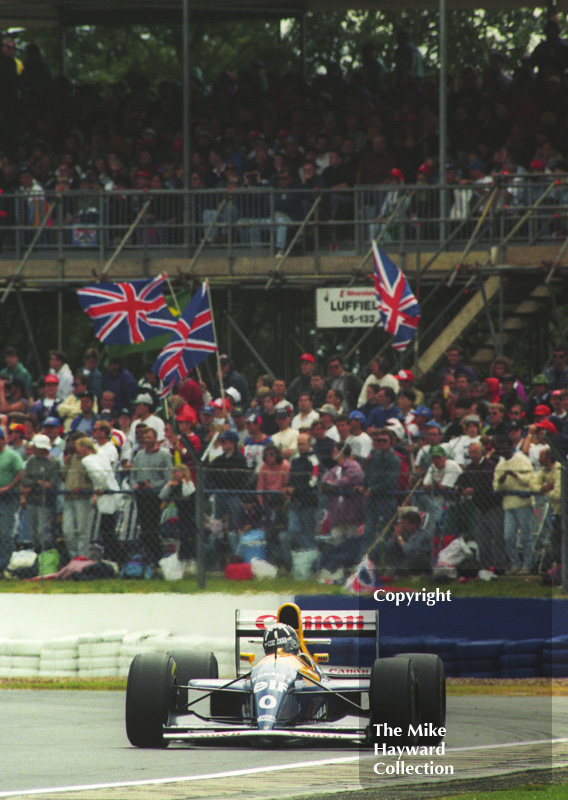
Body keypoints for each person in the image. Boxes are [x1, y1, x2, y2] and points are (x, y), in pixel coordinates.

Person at [456, 441, 506, 574]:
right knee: (482, 538)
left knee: (498, 537)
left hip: (494, 506)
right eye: (471, 452)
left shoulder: (489, 466)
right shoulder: (470, 468)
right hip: (480, 508)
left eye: (476, 452)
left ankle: (500, 567)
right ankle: (485, 566)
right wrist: (460, 489)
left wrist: (474, 490)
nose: (473, 455)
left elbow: (491, 485)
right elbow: (460, 482)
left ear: (481, 452)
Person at [493, 436, 535, 574]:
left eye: (505, 447)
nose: (502, 450)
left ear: (511, 446)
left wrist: (515, 475)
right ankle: (515, 564)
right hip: (508, 504)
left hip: (523, 503)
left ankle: (527, 565)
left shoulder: (522, 459)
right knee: (508, 536)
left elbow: (530, 480)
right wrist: (502, 480)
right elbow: (496, 487)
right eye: (500, 448)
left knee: (525, 536)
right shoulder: (500, 465)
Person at [131, 427, 172, 566]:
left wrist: (153, 485)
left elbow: (168, 478)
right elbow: (133, 475)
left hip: (155, 495)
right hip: (141, 495)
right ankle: (148, 554)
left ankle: (156, 555)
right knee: (143, 525)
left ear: (155, 438)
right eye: (145, 437)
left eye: (149, 437)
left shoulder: (165, 455)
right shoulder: (139, 455)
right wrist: (135, 485)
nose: (147, 440)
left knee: (152, 526)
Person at [78, 437, 122, 564]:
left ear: (85, 447)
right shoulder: (100, 455)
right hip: (113, 491)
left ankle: (113, 557)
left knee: (107, 528)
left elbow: (100, 476)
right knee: (109, 528)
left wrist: (98, 489)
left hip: (106, 494)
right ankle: (112, 556)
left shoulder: (87, 460)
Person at [20, 433, 61, 553]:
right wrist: (38, 482)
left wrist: (33, 484)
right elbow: (24, 480)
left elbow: (51, 484)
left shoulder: (54, 462)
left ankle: (45, 556)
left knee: (42, 532)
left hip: (45, 502)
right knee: (33, 532)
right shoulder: (32, 461)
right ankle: (36, 555)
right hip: (32, 501)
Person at [362, 428, 401, 552]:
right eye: (379, 440)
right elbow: (368, 474)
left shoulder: (394, 459)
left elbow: (391, 482)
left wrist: (372, 489)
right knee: (368, 530)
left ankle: (385, 559)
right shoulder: (375, 456)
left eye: (385, 440)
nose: (382, 443)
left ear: (391, 442)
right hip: (372, 499)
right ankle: (366, 557)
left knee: (386, 531)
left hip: (386, 499)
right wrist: (363, 486)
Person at [284, 432, 320, 552]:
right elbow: (291, 477)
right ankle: (307, 552)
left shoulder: (314, 460)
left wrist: (296, 489)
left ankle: (310, 555)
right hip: (294, 501)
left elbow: (313, 481)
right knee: (293, 529)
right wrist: (288, 487)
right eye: (298, 444)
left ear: (309, 445)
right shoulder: (295, 459)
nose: (300, 446)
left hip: (308, 501)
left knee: (308, 532)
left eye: (303, 444)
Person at [207, 429, 249, 530]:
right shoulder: (219, 459)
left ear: (232, 443)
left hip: (234, 494)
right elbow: (211, 474)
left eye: (224, 442)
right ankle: (219, 541)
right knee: (218, 521)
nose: (222, 444)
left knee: (235, 520)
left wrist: (223, 475)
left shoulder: (240, 459)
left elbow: (239, 479)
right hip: (220, 493)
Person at [61, 431, 93, 558]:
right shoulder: (72, 458)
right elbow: (63, 477)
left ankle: (83, 559)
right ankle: (73, 557)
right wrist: (66, 462)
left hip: (83, 498)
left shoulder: (91, 459)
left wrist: (83, 488)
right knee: (67, 531)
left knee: (82, 531)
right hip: (69, 498)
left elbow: (96, 481)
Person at [159, 464, 197, 566]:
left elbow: (187, 493)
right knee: (181, 536)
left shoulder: (189, 484)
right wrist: (168, 485)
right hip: (179, 513)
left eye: (179, 472)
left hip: (189, 514)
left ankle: (190, 559)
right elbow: (162, 495)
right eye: (175, 472)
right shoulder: (173, 484)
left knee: (188, 536)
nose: (177, 474)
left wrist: (184, 483)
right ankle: (182, 559)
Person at [379, 507, 432, 576]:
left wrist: (399, 537)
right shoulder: (406, 533)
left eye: (405, 524)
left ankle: (400, 571)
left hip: (419, 562)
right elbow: (391, 546)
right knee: (390, 546)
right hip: (406, 559)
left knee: (417, 555)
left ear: (413, 525)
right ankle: (391, 569)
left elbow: (409, 551)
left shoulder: (424, 535)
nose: (403, 526)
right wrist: (394, 537)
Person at [0, 427, 24, 573]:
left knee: (6, 531)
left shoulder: (11, 455)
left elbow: (20, 471)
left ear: (3, 439)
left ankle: (4, 564)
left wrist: (9, 487)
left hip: (8, 497)